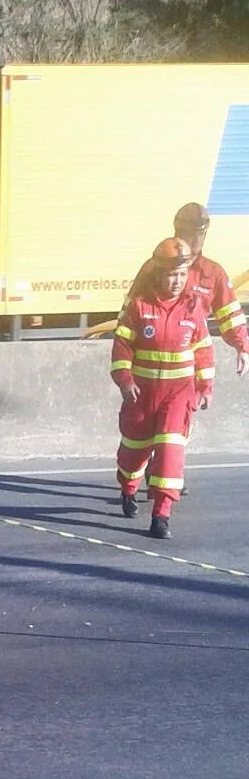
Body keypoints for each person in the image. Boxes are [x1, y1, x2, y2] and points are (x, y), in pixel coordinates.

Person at [111, 238, 214, 540]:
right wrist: (125, 380)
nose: (177, 281)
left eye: (182, 275)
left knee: (171, 452)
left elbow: (203, 349)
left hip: (178, 395)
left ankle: (161, 515)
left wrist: (205, 386)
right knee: (133, 454)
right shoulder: (138, 307)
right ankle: (129, 489)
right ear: (158, 274)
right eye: (171, 275)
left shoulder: (194, 309)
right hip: (141, 396)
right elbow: (122, 347)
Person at [126, 202, 248, 375]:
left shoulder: (213, 273)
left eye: (202, 234)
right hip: (150, 371)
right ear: (179, 232)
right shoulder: (153, 268)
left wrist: (243, 347)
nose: (197, 240)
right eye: (192, 234)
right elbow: (128, 315)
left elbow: (230, 316)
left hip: (189, 371)